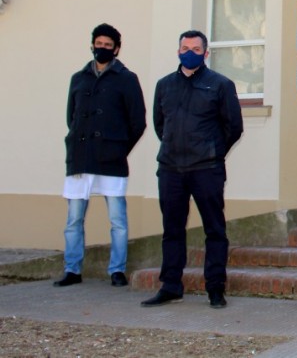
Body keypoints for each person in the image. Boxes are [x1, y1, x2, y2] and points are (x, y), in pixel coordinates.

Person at [141, 30, 244, 309]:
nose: (190, 52)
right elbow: (161, 124)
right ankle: (171, 285)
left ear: (205, 53)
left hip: (206, 169)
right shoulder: (164, 85)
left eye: (196, 49)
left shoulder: (220, 84)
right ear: (178, 51)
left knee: (215, 230)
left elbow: (233, 126)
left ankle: (215, 288)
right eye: (185, 48)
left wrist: (213, 150)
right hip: (171, 168)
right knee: (172, 230)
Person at [55, 23, 146, 288]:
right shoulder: (79, 78)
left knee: (117, 219)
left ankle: (117, 270)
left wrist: (118, 148)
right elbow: (71, 117)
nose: (102, 48)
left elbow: (137, 122)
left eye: (108, 45)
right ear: (92, 44)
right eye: (99, 43)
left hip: (111, 159)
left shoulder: (127, 79)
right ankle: (72, 270)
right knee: (73, 218)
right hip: (80, 158)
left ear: (117, 49)